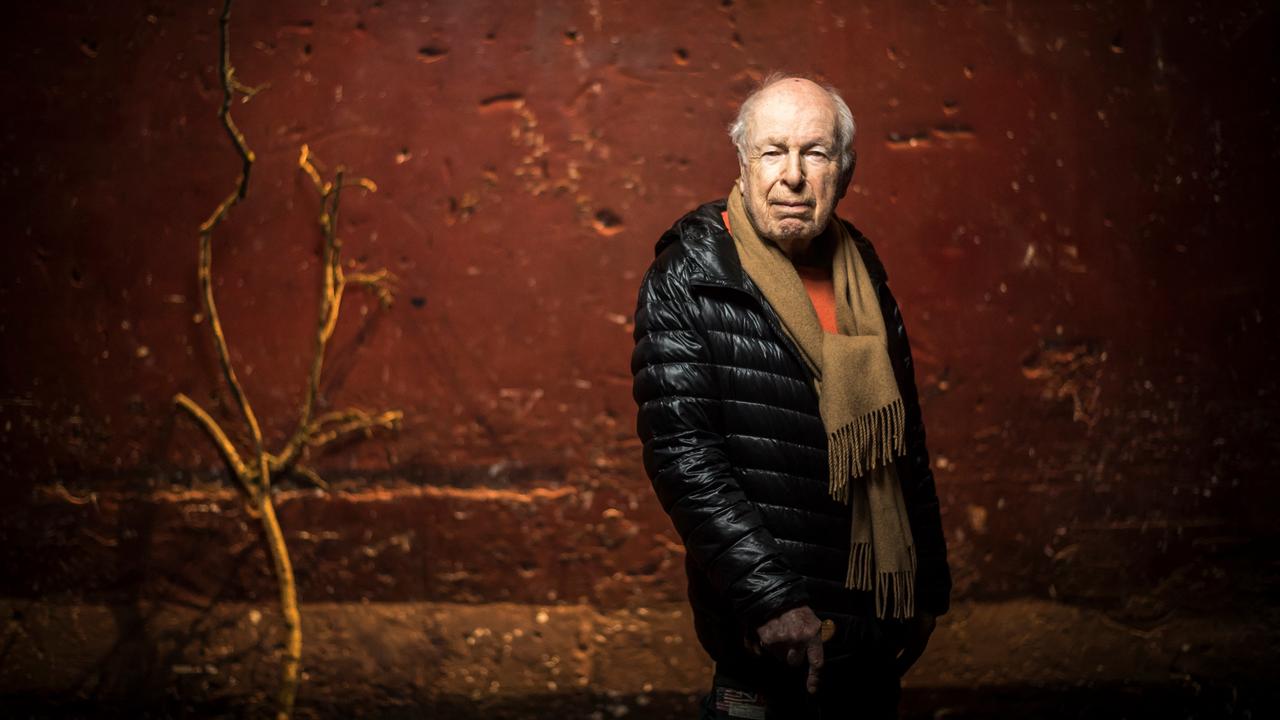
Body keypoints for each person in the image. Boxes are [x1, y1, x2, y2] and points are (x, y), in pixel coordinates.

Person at [630, 74, 951, 718]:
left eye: (815, 152)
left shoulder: (863, 273)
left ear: (845, 170)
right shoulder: (690, 278)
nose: (793, 175)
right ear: (744, 164)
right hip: (769, 635)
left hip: (872, 628)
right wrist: (771, 597)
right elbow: (685, 460)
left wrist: (923, 589)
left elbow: (904, 444)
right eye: (773, 151)